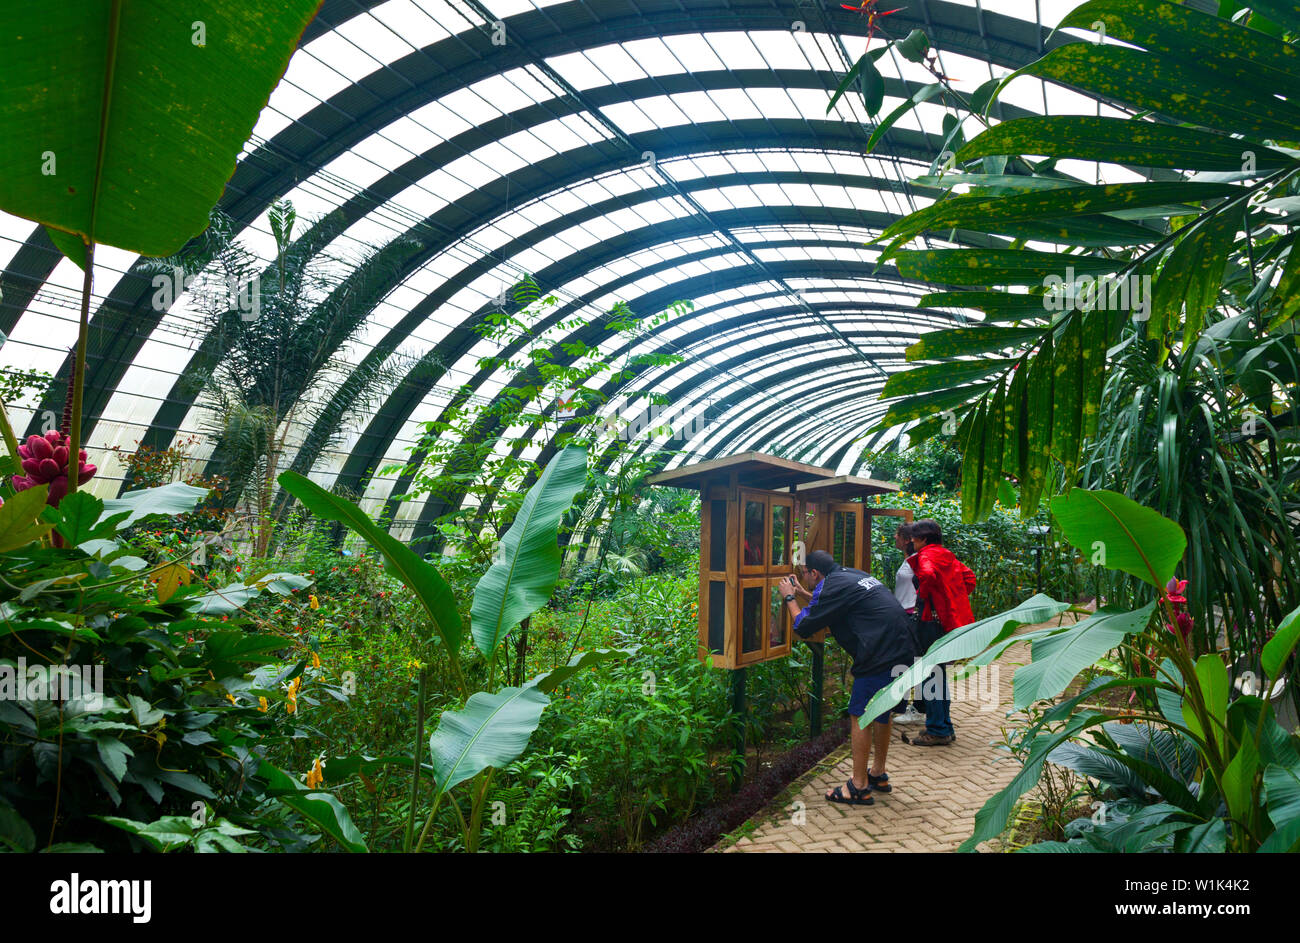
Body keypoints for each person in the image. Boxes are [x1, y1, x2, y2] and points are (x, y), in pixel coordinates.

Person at [778, 550, 917, 806]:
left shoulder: (829, 586)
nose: (803, 579)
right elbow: (834, 605)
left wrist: (788, 596)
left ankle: (858, 786)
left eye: (804, 575)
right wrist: (802, 593)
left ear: (814, 573)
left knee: (861, 715)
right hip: (902, 649)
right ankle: (877, 774)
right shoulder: (850, 575)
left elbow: (803, 625)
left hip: (879, 654)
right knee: (881, 710)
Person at [906, 518, 976, 746]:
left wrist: (926, 595)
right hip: (946, 624)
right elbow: (969, 579)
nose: (912, 542)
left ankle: (937, 730)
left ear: (923, 539)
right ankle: (944, 725)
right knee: (938, 673)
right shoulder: (947, 555)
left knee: (930, 674)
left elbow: (926, 575)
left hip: (930, 624)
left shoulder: (926, 555)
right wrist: (950, 598)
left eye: (914, 538)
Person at [890, 523, 925, 726]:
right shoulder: (908, 560)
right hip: (904, 614)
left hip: (911, 615)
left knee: (909, 663)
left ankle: (915, 708)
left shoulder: (916, 560)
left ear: (905, 540)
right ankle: (909, 707)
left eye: (897, 535)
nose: (894, 537)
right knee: (907, 663)